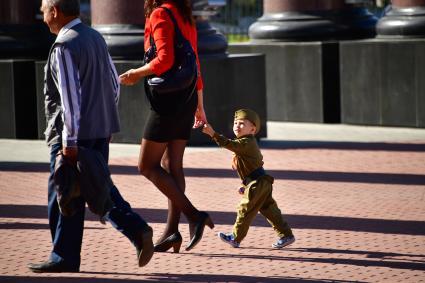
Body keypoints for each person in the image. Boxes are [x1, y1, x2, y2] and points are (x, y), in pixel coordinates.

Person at [28, 0, 154, 273]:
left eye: (43, 9)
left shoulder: (64, 46)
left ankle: (65, 256)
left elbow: (69, 100)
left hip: (73, 136)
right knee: (97, 187)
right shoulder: (95, 36)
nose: (41, 14)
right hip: (99, 130)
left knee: (64, 195)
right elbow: (113, 83)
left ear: (55, 11)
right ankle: (134, 231)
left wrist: (69, 141)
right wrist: (106, 120)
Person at [119, 0, 213, 253]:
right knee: (172, 165)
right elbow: (195, 61)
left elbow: (164, 60)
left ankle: (194, 215)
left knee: (147, 166)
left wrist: (136, 73)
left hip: (169, 101)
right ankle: (172, 231)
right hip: (187, 95)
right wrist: (199, 104)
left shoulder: (160, 13)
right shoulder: (184, 14)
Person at [202, 109, 295, 248]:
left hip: (258, 183)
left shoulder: (246, 143)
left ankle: (235, 238)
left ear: (252, 129)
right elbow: (248, 168)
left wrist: (212, 134)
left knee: (245, 209)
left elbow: (229, 144)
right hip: (260, 182)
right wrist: (245, 185)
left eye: (242, 123)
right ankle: (286, 235)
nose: (237, 126)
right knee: (270, 211)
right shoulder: (245, 142)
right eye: (235, 123)